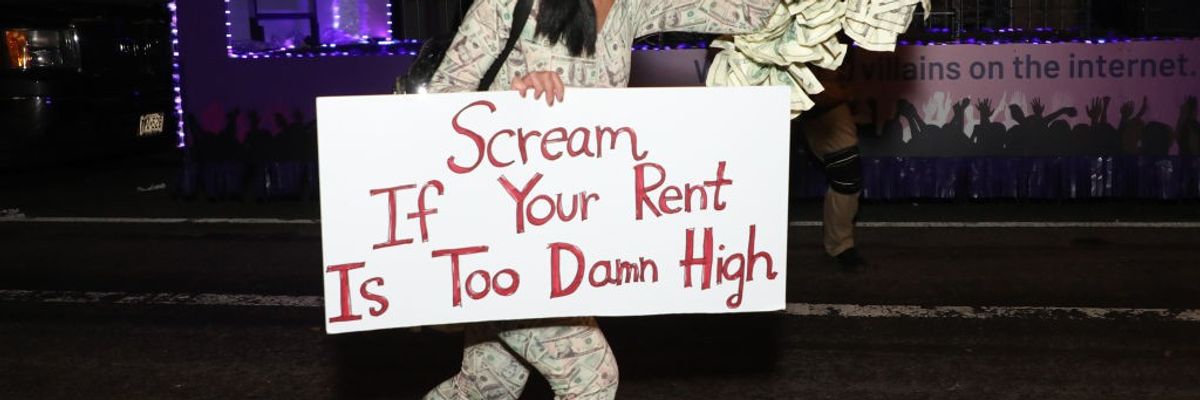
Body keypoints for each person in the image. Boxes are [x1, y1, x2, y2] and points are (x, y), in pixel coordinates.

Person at [423, 0, 775, 399]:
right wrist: (511, 102)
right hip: (505, 240)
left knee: (486, 388)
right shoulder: (506, 4)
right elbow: (440, 102)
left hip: (568, 239)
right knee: (591, 378)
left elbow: (750, 12)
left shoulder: (633, 6)